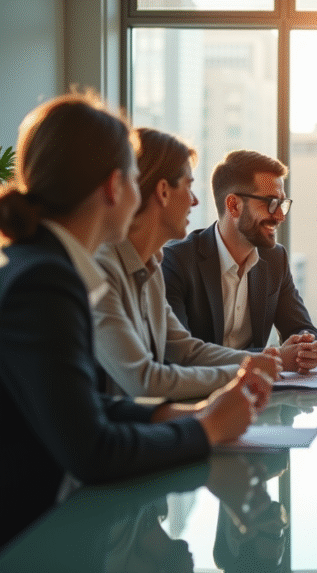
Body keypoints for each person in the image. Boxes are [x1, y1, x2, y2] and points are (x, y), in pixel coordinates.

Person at [0, 93, 277, 549]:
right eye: (133, 177)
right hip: (29, 541)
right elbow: (93, 451)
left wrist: (176, 413)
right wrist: (206, 428)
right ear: (113, 188)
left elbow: (83, 405)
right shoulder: (45, 282)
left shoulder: (40, 266)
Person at [94, 128, 281, 400]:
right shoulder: (103, 270)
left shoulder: (151, 266)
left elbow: (185, 350)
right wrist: (242, 374)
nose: (195, 201)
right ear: (163, 191)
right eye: (189, 186)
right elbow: (145, 380)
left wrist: (251, 361)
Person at [161, 150, 317, 374]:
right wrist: (272, 360)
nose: (280, 216)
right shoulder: (176, 262)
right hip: (198, 399)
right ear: (234, 205)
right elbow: (179, 356)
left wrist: (308, 346)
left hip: (258, 397)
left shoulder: (276, 259)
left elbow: (301, 327)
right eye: (271, 203)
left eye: (283, 204)